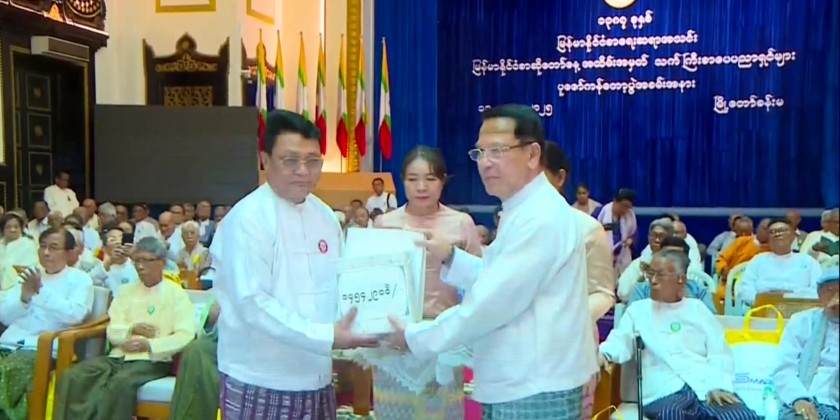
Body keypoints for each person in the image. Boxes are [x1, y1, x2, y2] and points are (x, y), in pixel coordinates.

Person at [386, 105, 597, 418]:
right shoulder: (522, 208)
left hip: (532, 388)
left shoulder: (541, 217)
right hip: (526, 381)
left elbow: (492, 302)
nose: (485, 162)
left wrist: (416, 337)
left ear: (532, 154)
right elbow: (499, 276)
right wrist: (451, 256)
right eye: (480, 152)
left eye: (497, 151)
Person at [213, 110, 378, 420]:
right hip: (261, 378)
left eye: (313, 161)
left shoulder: (325, 216)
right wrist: (327, 336)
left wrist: (372, 323)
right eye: (290, 160)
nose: (303, 170)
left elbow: (341, 286)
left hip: (318, 377)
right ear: (265, 160)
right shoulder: (247, 219)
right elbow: (252, 304)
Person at [371, 146, 483, 419]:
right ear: (402, 181)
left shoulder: (461, 223)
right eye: (413, 179)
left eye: (430, 179)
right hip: (395, 338)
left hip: (442, 336)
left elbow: (480, 281)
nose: (421, 187)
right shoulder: (385, 223)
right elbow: (371, 282)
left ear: (443, 181)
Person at [599, 249, 759, 420]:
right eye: (650, 274)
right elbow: (619, 342)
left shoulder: (698, 309)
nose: (653, 280)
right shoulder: (638, 311)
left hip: (705, 386)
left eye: (660, 275)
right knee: (671, 415)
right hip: (664, 391)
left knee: (740, 416)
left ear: (681, 279)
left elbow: (720, 352)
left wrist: (719, 385)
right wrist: (601, 355)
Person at [54, 237, 195, 420]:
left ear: (161, 262)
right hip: (118, 356)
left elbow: (185, 334)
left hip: (152, 360)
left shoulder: (176, 294)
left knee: (120, 384)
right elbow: (113, 327)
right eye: (137, 261)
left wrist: (150, 345)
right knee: (75, 376)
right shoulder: (126, 291)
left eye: (146, 260)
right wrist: (129, 332)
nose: (140, 266)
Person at [0, 228, 94, 420]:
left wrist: (40, 292)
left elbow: (75, 315)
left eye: (53, 247)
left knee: (10, 369)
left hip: (44, 348)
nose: (46, 252)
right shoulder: (29, 275)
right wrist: (24, 297)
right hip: (10, 343)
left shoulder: (80, 279)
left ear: (69, 252)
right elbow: (5, 317)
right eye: (42, 246)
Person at [772, 267, 839, 420]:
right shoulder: (802, 321)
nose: (836, 299)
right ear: (819, 295)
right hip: (805, 398)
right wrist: (799, 399)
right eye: (830, 291)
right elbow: (784, 369)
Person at [594, 188, 638, 276]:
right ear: (615, 201)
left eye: (628, 207)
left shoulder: (630, 216)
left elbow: (634, 233)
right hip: (602, 254)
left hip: (622, 255)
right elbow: (590, 232)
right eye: (623, 206)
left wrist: (631, 240)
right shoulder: (600, 213)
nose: (625, 210)